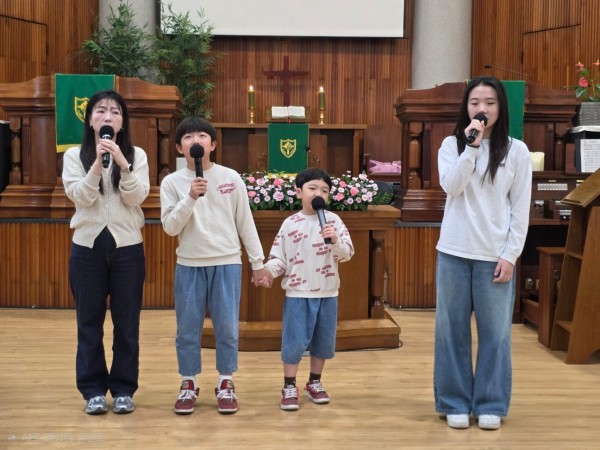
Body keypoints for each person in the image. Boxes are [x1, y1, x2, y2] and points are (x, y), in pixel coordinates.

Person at [434, 76, 532, 430]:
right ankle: (454, 402)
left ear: (500, 107)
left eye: (490, 102)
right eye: (475, 102)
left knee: (496, 334)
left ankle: (491, 402)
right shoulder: (451, 145)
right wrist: (471, 148)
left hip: (495, 255)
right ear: (466, 107)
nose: (482, 108)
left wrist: (510, 255)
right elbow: (452, 187)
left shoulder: (517, 151)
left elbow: (520, 208)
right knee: (451, 332)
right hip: (454, 252)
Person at [160, 117, 269, 415]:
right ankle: (188, 382)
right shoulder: (171, 182)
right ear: (179, 147)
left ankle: (225, 382)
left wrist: (258, 263)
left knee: (227, 328)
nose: (195, 140)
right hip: (189, 264)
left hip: (227, 262)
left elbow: (245, 223)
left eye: (202, 136)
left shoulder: (230, 177)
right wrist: (190, 197)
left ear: (213, 144)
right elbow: (170, 227)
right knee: (187, 329)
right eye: (188, 137)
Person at [62, 90, 150, 415]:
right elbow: (81, 197)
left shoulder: (137, 155)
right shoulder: (74, 155)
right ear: (90, 120)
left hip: (128, 247)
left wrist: (124, 165)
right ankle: (93, 390)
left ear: (122, 123)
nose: (107, 116)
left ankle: (124, 389)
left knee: (127, 324)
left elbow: (137, 197)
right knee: (88, 323)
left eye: (115, 112)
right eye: (100, 111)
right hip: (87, 247)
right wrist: (98, 164)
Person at [260, 167, 354, 411]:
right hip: (298, 293)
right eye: (312, 188)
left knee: (323, 341)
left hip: (327, 292)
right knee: (293, 342)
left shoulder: (334, 221)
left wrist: (335, 240)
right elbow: (279, 258)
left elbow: (346, 254)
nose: (318, 193)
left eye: (324, 190)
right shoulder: (290, 223)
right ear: (299, 191)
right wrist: (267, 272)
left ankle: (315, 382)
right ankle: (289, 385)